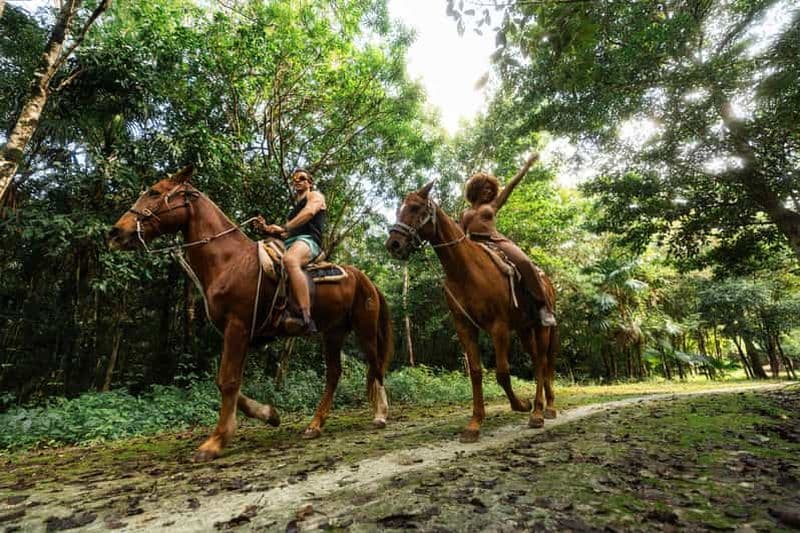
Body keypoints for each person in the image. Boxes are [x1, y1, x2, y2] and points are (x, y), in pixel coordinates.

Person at [460, 153, 557, 326]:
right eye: (485, 187)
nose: (489, 191)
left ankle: (543, 307)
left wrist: (525, 167)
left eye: (491, 189)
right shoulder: (465, 213)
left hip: (496, 241)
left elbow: (511, 185)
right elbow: (460, 237)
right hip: (474, 246)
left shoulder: (492, 205)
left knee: (525, 262)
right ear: (475, 189)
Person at [259, 168, 327, 333]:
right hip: (291, 242)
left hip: (309, 241)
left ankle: (305, 317)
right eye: (294, 179)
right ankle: (275, 309)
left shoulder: (315, 196)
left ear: (309, 183)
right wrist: (269, 229)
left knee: (290, 260)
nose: (297, 181)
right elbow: (287, 232)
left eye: (302, 178)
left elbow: (309, 212)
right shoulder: (294, 210)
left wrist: (284, 227)